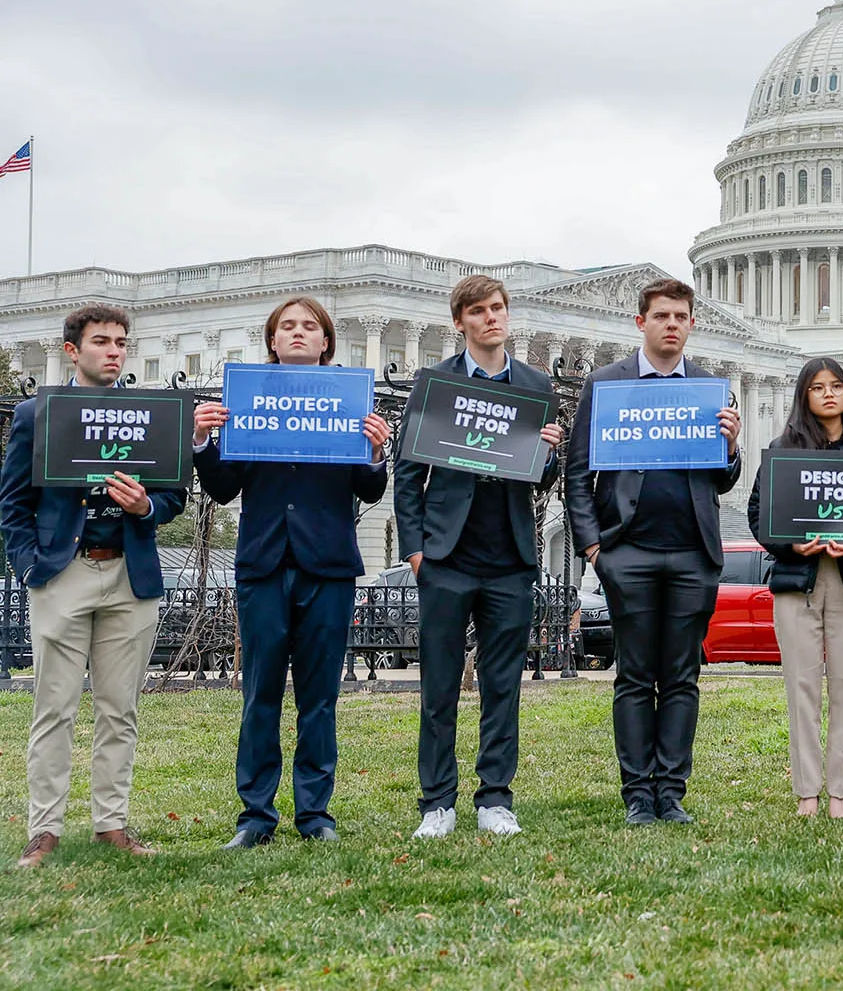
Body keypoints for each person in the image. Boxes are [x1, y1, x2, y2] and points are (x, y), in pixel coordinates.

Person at [191, 297, 392, 848]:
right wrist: (204, 442)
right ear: (272, 341)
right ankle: (255, 816)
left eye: (310, 327)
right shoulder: (246, 399)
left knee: (319, 697)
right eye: (288, 327)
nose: (299, 333)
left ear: (326, 342)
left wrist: (376, 452)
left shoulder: (349, 403)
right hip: (263, 562)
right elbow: (224, 487)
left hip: (326, 566)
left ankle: (314, 814)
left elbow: (369, 489)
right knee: (259, 693)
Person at [1, 305, 188, 869]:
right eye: (102, 341)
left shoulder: (151, 414)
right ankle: (45, 830)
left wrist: (147, 505)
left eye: (122, 343)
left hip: (131, 575)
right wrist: (32, 567)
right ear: (71, 350)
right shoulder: (38, 414)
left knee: (119, 708)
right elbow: (13, 502)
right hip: (64, 572)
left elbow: (173, 496)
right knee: (52, 706)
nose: (114, 351)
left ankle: (111, 823)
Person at [567, 278, 742, 826]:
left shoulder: (712, 390)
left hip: (692, 552)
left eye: (681, 316)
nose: (672, 324)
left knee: (683, 677)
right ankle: (638, 794)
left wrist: (731, 447)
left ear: (692, 325)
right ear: (640, 323)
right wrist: (593, 546)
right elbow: (578, 472)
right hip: (628, 551)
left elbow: (723, 480)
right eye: (662, 315)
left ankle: (672, 791)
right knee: (635, 677)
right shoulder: (605, 384)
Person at [394, 275, 564, 840]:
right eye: (479, 311)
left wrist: (550, 454)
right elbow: (409, 472)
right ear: (460, 322)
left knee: (502, 685)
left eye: (498, 309)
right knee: (439, 686)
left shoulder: (535, 384)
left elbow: (542, 476)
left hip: (510, 557)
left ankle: (495, 797)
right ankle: (436, 802)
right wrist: (415, 550)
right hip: (446, 556)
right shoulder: (434, 383)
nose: (492, 318)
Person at [747, 358, 843, 819]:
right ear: (804, 396)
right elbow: (759, 514)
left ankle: (839, 793)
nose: (829, 394)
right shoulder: (782, 449)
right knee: (802, 687)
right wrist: (789, 542)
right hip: (799, 580)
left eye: (836, 386)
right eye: (818, 388)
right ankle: (807, 791)